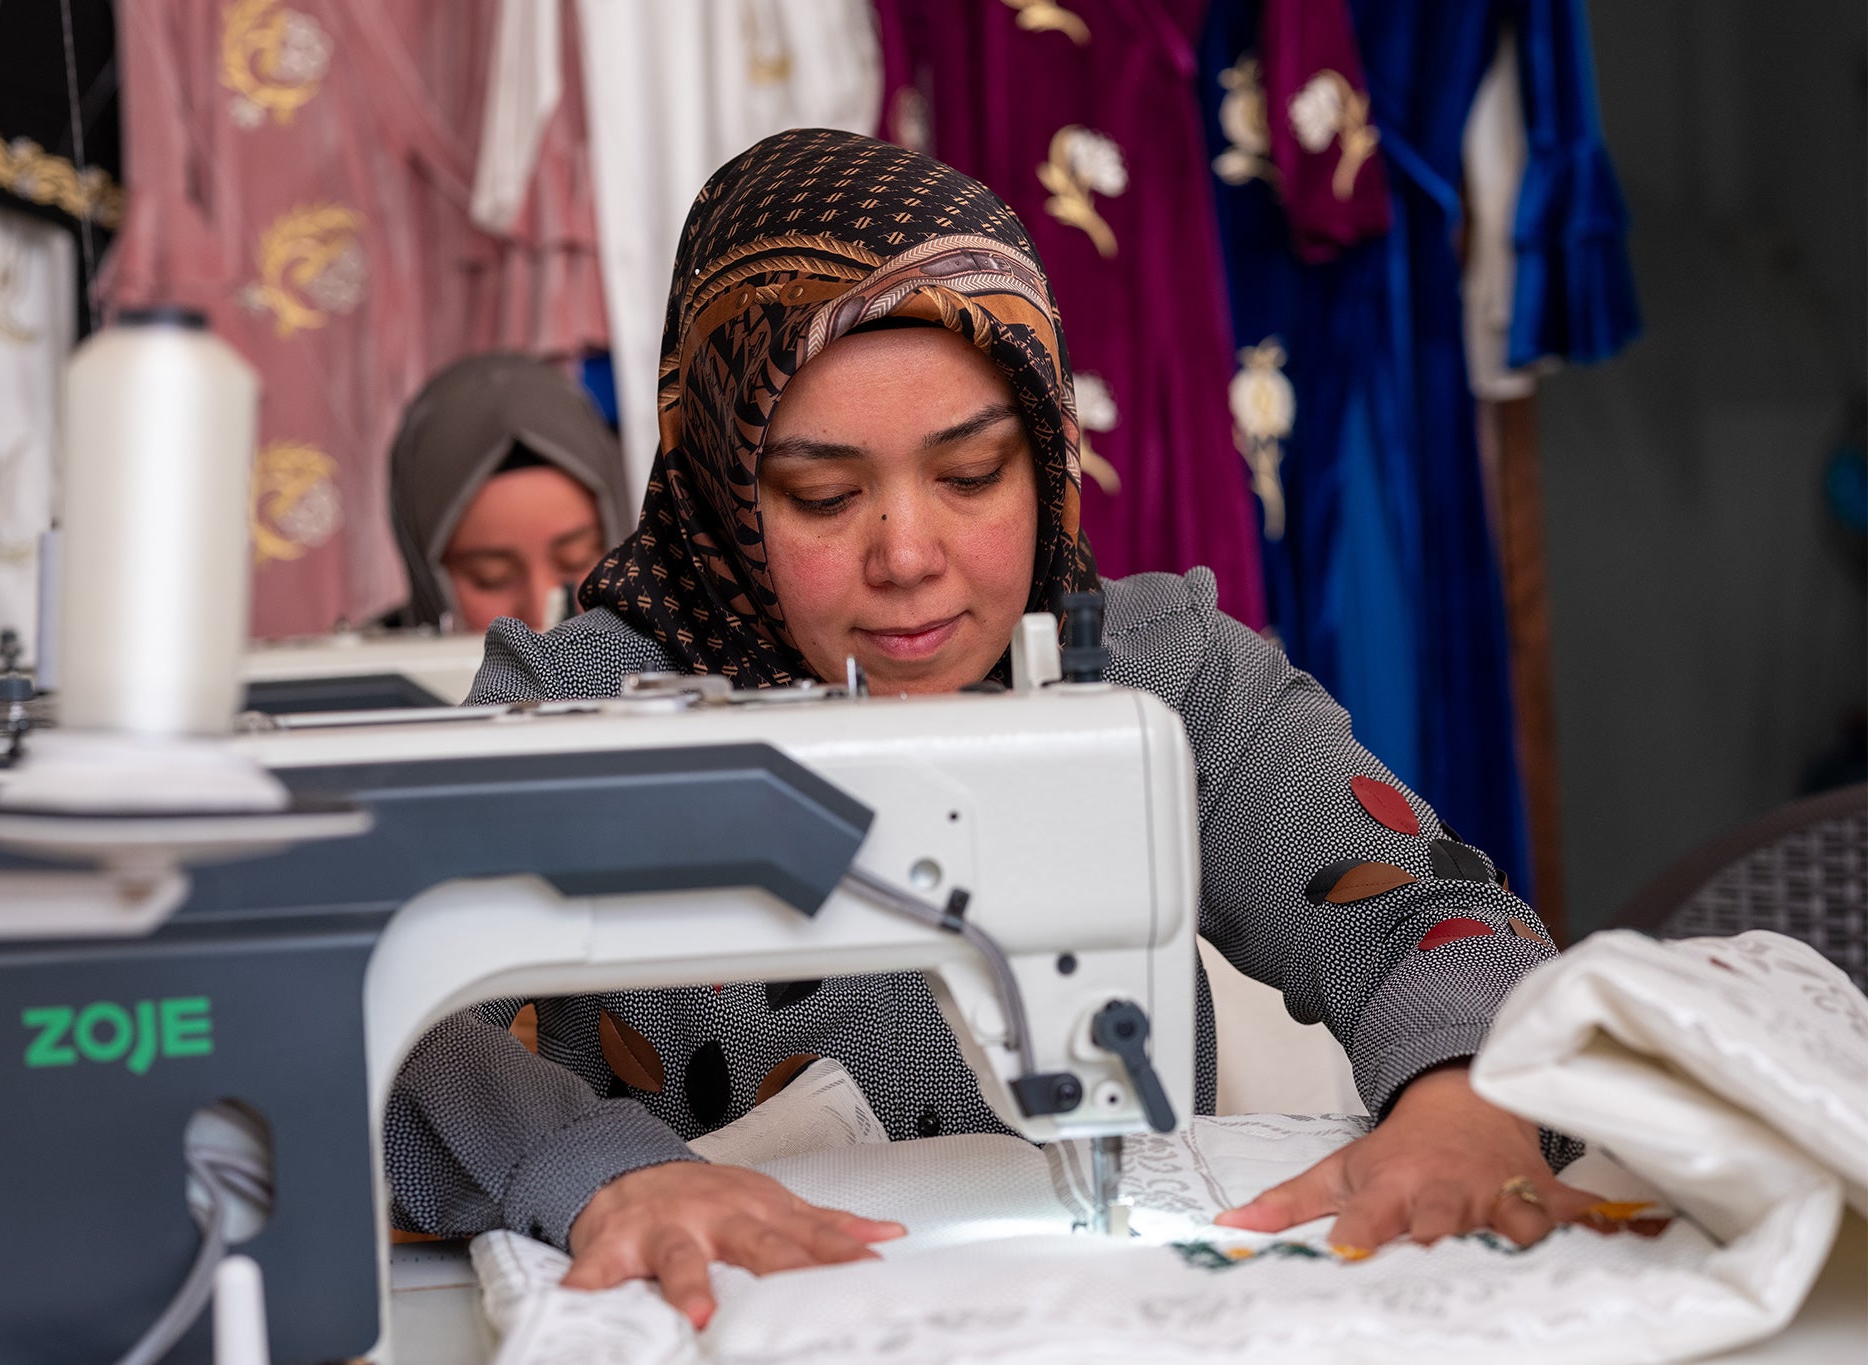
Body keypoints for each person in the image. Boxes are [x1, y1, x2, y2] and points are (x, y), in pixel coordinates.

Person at [384, 129, 1598, 1329]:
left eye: (970, 476)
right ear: (717, 481)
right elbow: (403, 1024)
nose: (908, 559)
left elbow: (1426, 919)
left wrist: (1461, 1107)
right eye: (821, 495)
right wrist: (604, 1173)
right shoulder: (579, 709)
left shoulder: (1155, 674)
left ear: (1047, 461)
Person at [386, 352, 630, 633]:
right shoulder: (351, 671)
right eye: (492, 577)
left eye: (575, 559)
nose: (541, 616)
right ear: (426, 576)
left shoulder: (684, 657)